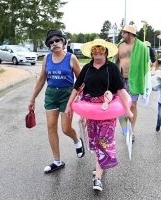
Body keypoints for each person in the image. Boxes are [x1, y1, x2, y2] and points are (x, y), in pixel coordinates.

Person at [65, 39, 133, 191]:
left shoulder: (112, 68)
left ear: (106, 52)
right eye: (95, 51)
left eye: (100, 51)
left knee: (104, 140)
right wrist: (68, 106)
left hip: (107, 108)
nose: (97, 54)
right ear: (91, 53)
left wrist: (128, 111)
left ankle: (98, 178)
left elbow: (121, 90)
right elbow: (77, 88)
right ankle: (101, 164)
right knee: (95, 140)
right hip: (91, 110)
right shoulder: (87, 68)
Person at [28, 30, 84, 173]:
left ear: (63, 41)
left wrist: (80, 97)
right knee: (51, 127)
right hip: (51, 94)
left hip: (67, 94)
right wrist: (32, 99)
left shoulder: (71, 58)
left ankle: (77, 141)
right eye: (51, 42)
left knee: (65, 129)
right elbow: (41, 79)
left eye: (57, 40)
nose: (54, 44)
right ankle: (57, 161)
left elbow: (81, 80)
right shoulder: (47, 59)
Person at [114, 25, 149, 142]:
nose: (121, 35)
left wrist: (146, 82)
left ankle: (131, 131)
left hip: (134, 79)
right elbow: (114, 63)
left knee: (132, 105)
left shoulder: (141, 47)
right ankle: (126, 129)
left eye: (123, 33)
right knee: (121, 105)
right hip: (120, 80)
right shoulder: (120, 46)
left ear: (130, 34)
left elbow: (146, 64)